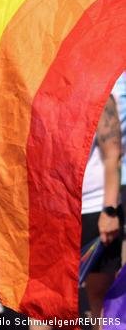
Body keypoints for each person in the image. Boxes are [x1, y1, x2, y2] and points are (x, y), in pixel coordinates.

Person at [79, 94, 123, 327]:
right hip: (52, 210)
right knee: (45, 298)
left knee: (100, 295)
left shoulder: (99, 94)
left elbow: (113, 154)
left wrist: (110, 210)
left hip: (94, 208)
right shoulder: (38, 89)